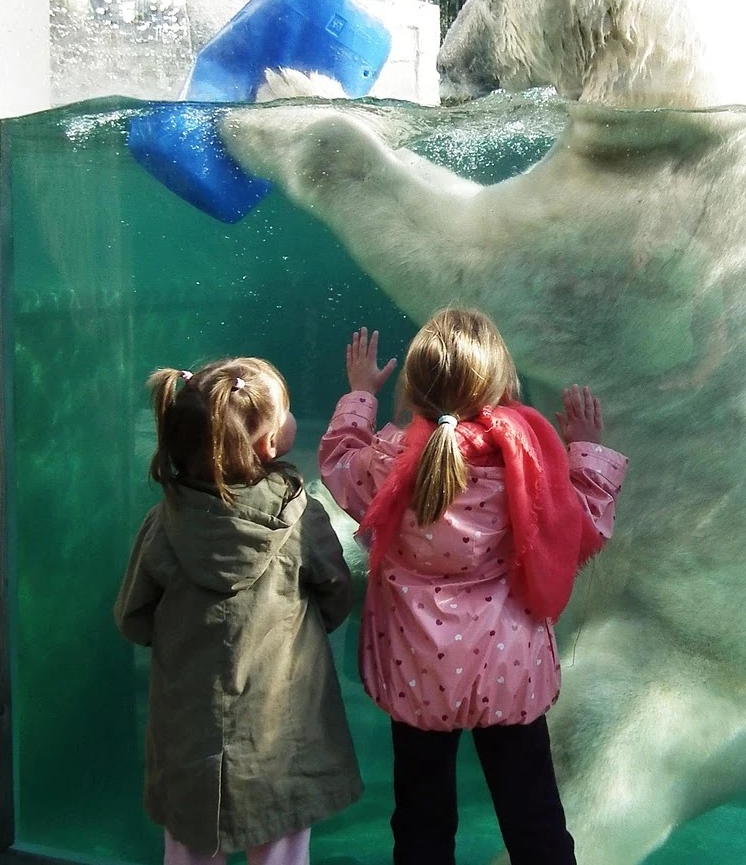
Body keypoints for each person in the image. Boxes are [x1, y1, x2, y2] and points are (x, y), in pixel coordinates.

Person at [318, 310, 628, 865]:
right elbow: (579, 531)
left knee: (421, 823)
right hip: (509, 673)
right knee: (534, 821)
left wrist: (360, 394)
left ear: (412, 386)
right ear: (503, 384)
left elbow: (338, 462)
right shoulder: (527, 467)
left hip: (416, 676)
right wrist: (583, 451)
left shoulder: (385, 463)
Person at [114, 357, 362, 865]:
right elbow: (337, 592)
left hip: (188, 735)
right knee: (281, 842)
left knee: (187, 841)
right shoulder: (299, 518)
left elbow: (132, 617)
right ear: (270, 443)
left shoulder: (163, 523)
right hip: (281, 737)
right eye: (286, 410)